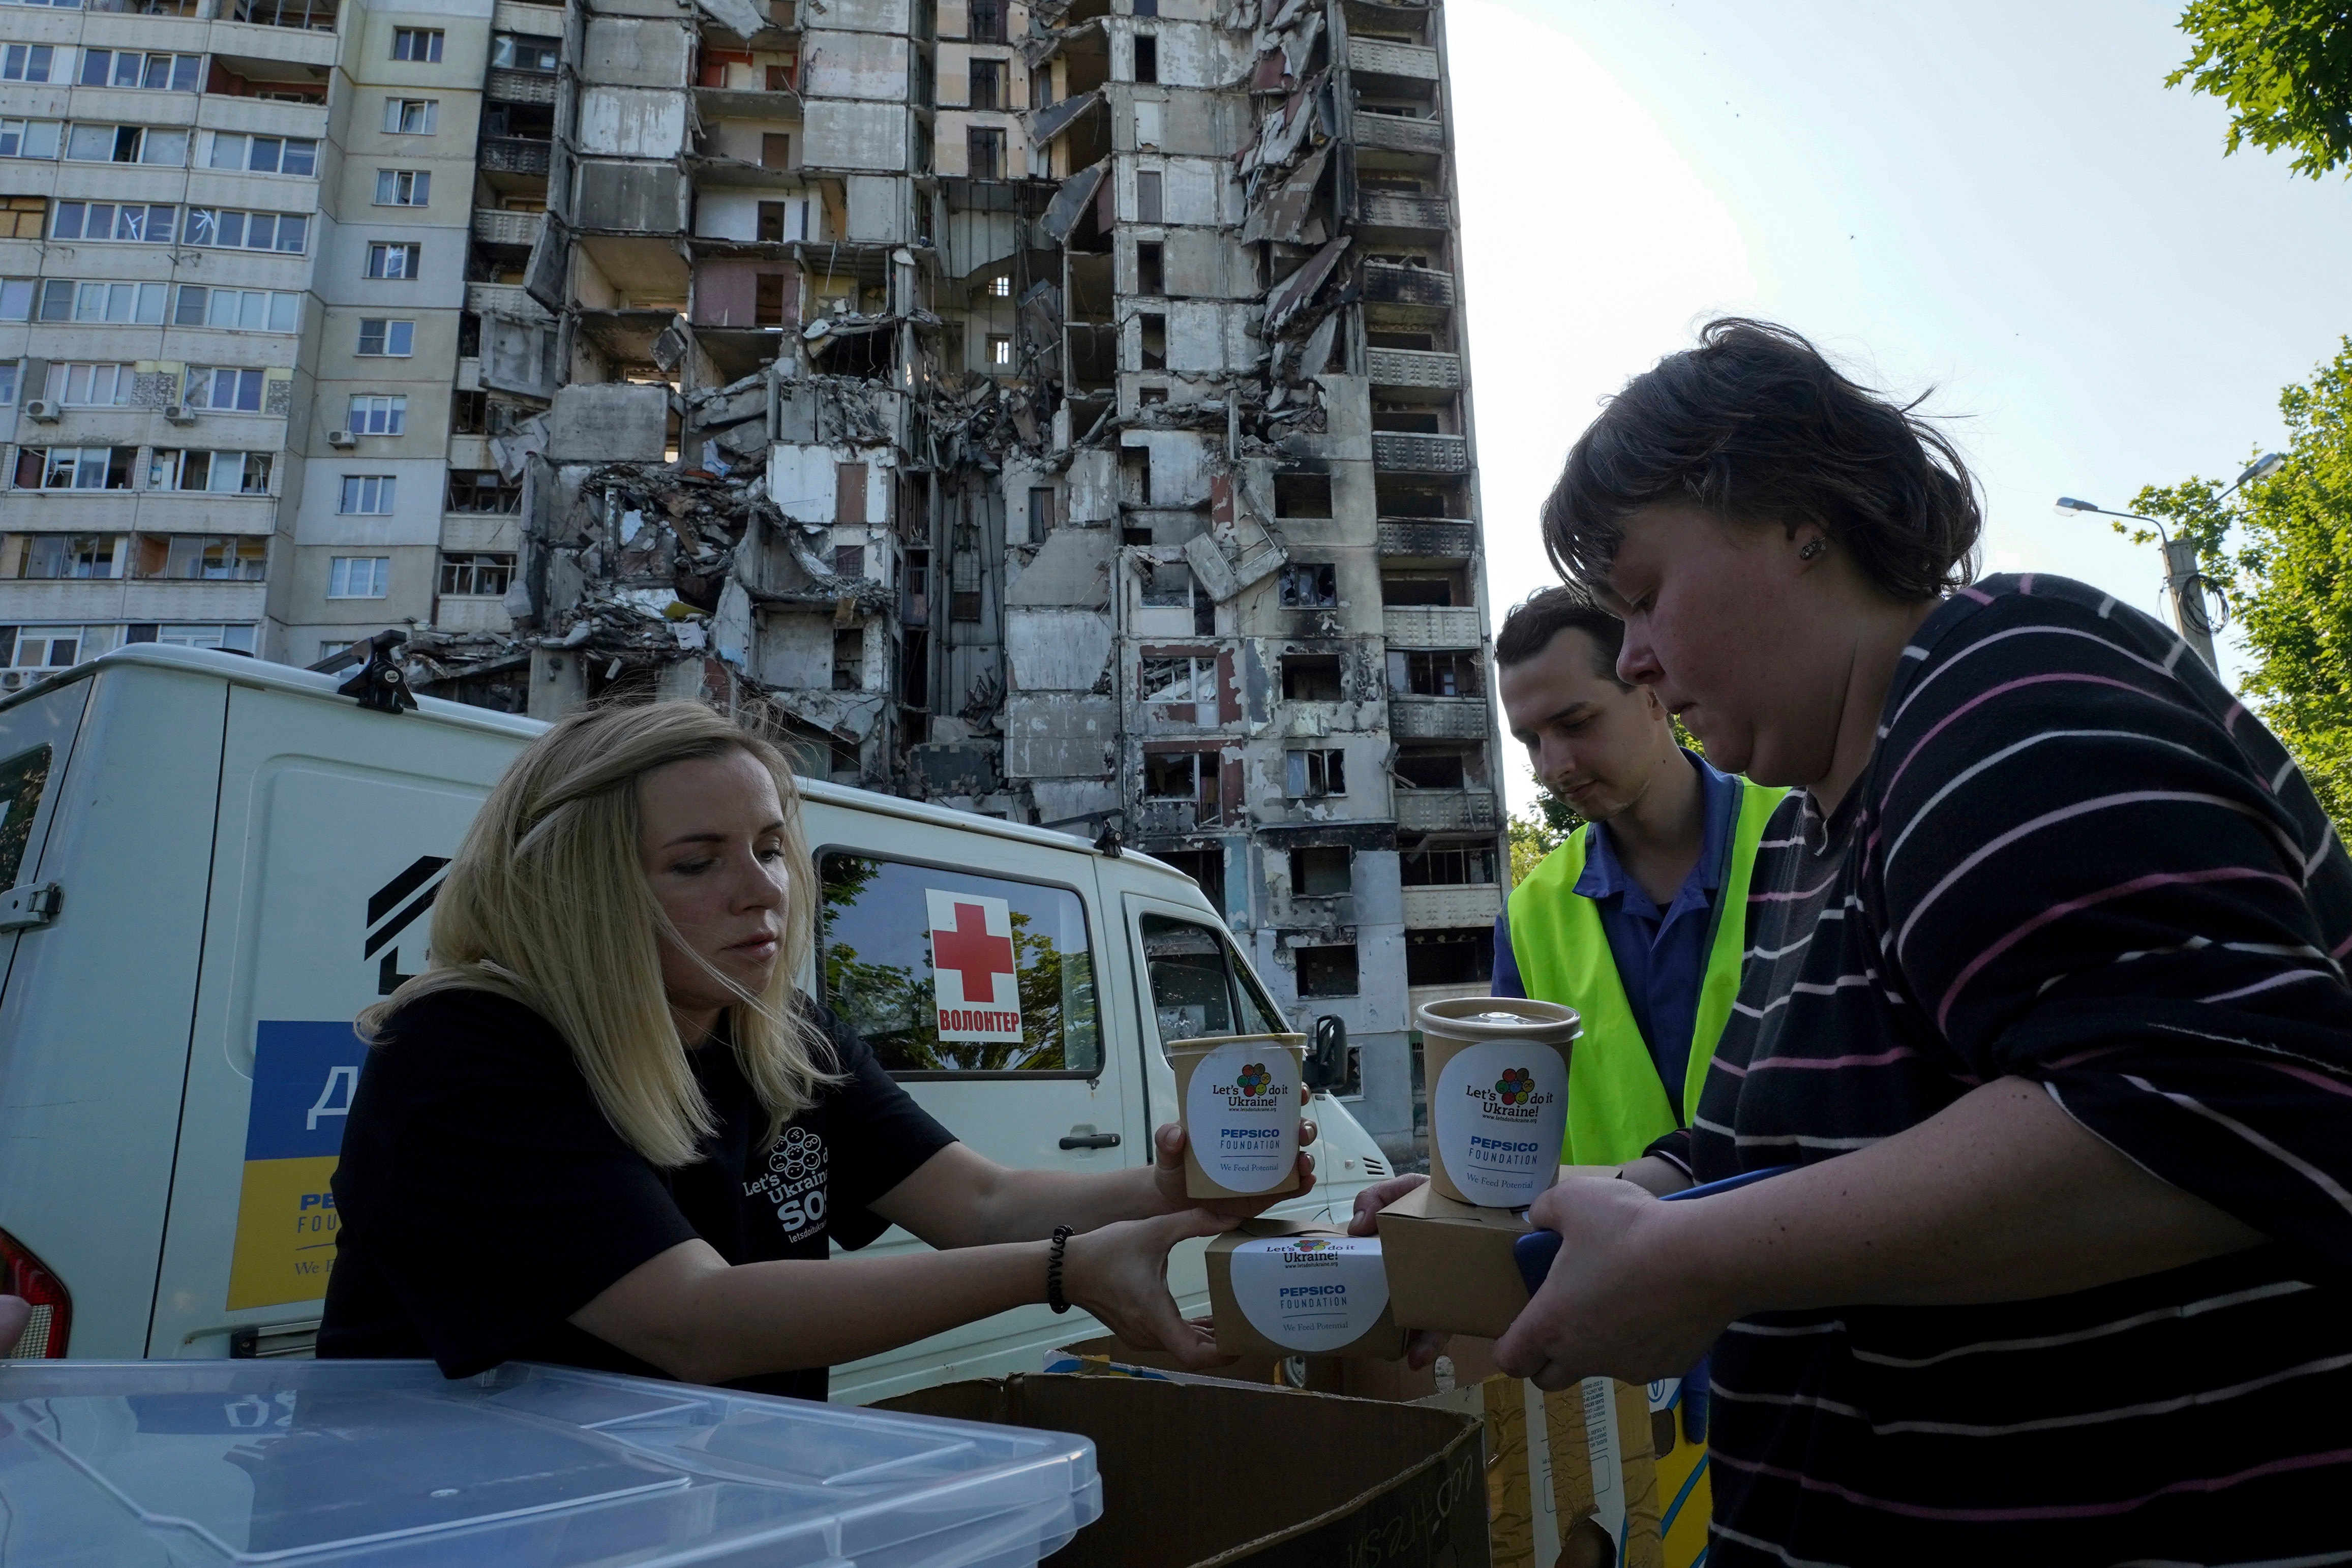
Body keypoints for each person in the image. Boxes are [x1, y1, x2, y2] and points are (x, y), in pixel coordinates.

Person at [1484, 318, 2352, 1563]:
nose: (1635, 657)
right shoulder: (1805, 837)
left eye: (1643, 594)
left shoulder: (1998, 685)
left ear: (1799, 518)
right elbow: (1741, 1155)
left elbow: (2214, 1104)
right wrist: (1515, 1225)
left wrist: (1696, 1258)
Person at [319, 702, 1313, 1397]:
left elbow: (981, 1205)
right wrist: (1066, 1270)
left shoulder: (774, 1033)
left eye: (767, 845)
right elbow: (697, 1323)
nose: (764, 889)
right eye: (697, 862)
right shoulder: (466, 1051)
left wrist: (1183, 1192)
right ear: (577, 889)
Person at [1490, 585, 1785, 1179]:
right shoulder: (1528, 916)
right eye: (1530, 741)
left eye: (1575, 723)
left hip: (1810, 1254)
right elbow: (1506, 1137)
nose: (1554, 766)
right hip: (1610, 1267)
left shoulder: (1806, 836)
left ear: (1652, 690)